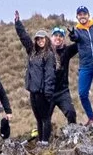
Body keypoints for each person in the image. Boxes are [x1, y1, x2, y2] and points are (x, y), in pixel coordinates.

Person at [14, 14, 66, 143]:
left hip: (43, 93)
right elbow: (24, 37)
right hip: (33, 91)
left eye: (42, 39)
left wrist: (48, 93)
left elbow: (50, 75)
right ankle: (40, 140)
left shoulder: (49, 55)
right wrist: (17, 23)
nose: (40, 41)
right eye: (38, 39)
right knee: (38, 118)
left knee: (45, 118)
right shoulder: (32, 52)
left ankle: (45, 142)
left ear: (46, 40)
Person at [69, 6, 93, 124]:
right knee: (82, 93)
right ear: (77, 17)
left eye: (84, 14)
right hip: (85, 66)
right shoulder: (76, 30)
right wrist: (72, 36)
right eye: (80, 14)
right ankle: (91, 118)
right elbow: (75, 38)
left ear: (88, 15)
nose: (82, 16)